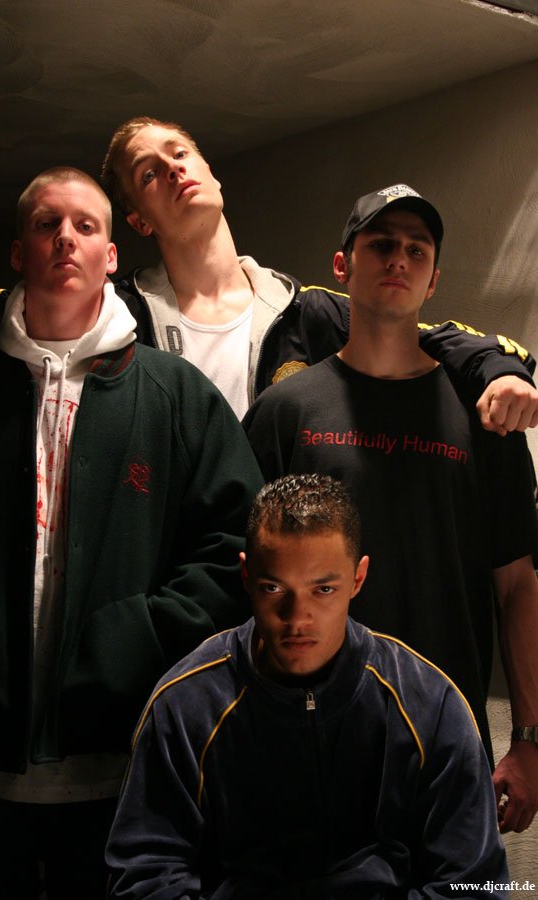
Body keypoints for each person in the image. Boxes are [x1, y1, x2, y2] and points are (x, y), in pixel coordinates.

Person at [0, 166, 262, 899]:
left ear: (112, 255)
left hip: (117, 763)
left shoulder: (174, 393)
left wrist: (142, 638)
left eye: (85, 226)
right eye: (46, 224)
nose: (65, 239)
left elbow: (236, 545)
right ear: (17, 252)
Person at [243, 184, 538, 835]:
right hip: (307, 740)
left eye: (416, 249)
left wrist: (529, 738)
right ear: (342, 267)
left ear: (434, 280)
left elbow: (518, 584)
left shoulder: (486, 419)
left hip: (449, 742)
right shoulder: (284, 412)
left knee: (465, 883)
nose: (399, 258)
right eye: (381, 244)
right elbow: (241, 580)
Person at [0, 117, 538, 432]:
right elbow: (11, 302)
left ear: (212, 173)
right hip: (173, 571)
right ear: (138, 221)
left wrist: (502, 371)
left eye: (180, 154)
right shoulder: (119, 309)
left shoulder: (304, 309)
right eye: (148, 174)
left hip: (286, 581)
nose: (173, 170)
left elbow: (428, 338)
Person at [106, 474, 509, 899]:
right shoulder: (185, 705)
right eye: (274, 588)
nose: (297, 618)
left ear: (358, 578)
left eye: (324, 589)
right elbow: (143, 878)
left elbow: (476, 882)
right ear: (246, 575)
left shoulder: (429, 703)